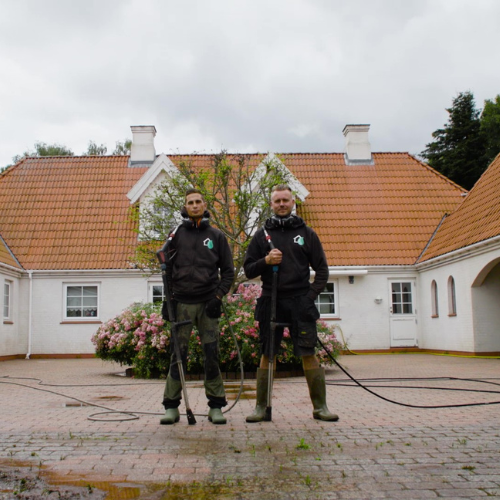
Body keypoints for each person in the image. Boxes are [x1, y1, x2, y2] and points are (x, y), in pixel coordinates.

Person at [243, 184, 338, 422]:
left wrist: (309, 297)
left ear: (293, 202)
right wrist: (266, 260)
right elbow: (248, 269)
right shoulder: (261, 234)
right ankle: (261, 408)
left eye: (286, 200)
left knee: (308, 352)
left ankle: (320, 407)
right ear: (271, 204)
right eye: (277, 201)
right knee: (267, 353)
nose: (282, 204)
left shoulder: (307, 233)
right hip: (270, 300)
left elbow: (323, 271)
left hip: (300, 302)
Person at [160, 188, 234, 425]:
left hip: (207, 304)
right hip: (182, 303)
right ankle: (171, 406)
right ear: (185, 206)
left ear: (204, 205)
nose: (194, 205)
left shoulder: (216, 236)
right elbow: (167, 271)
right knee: (177, 355)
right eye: (190, 202)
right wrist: (168, 300)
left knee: (211, 354)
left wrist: (218, 297)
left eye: (198, 201)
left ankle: (216, 406)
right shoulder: (175, 235)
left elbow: (229, 273)